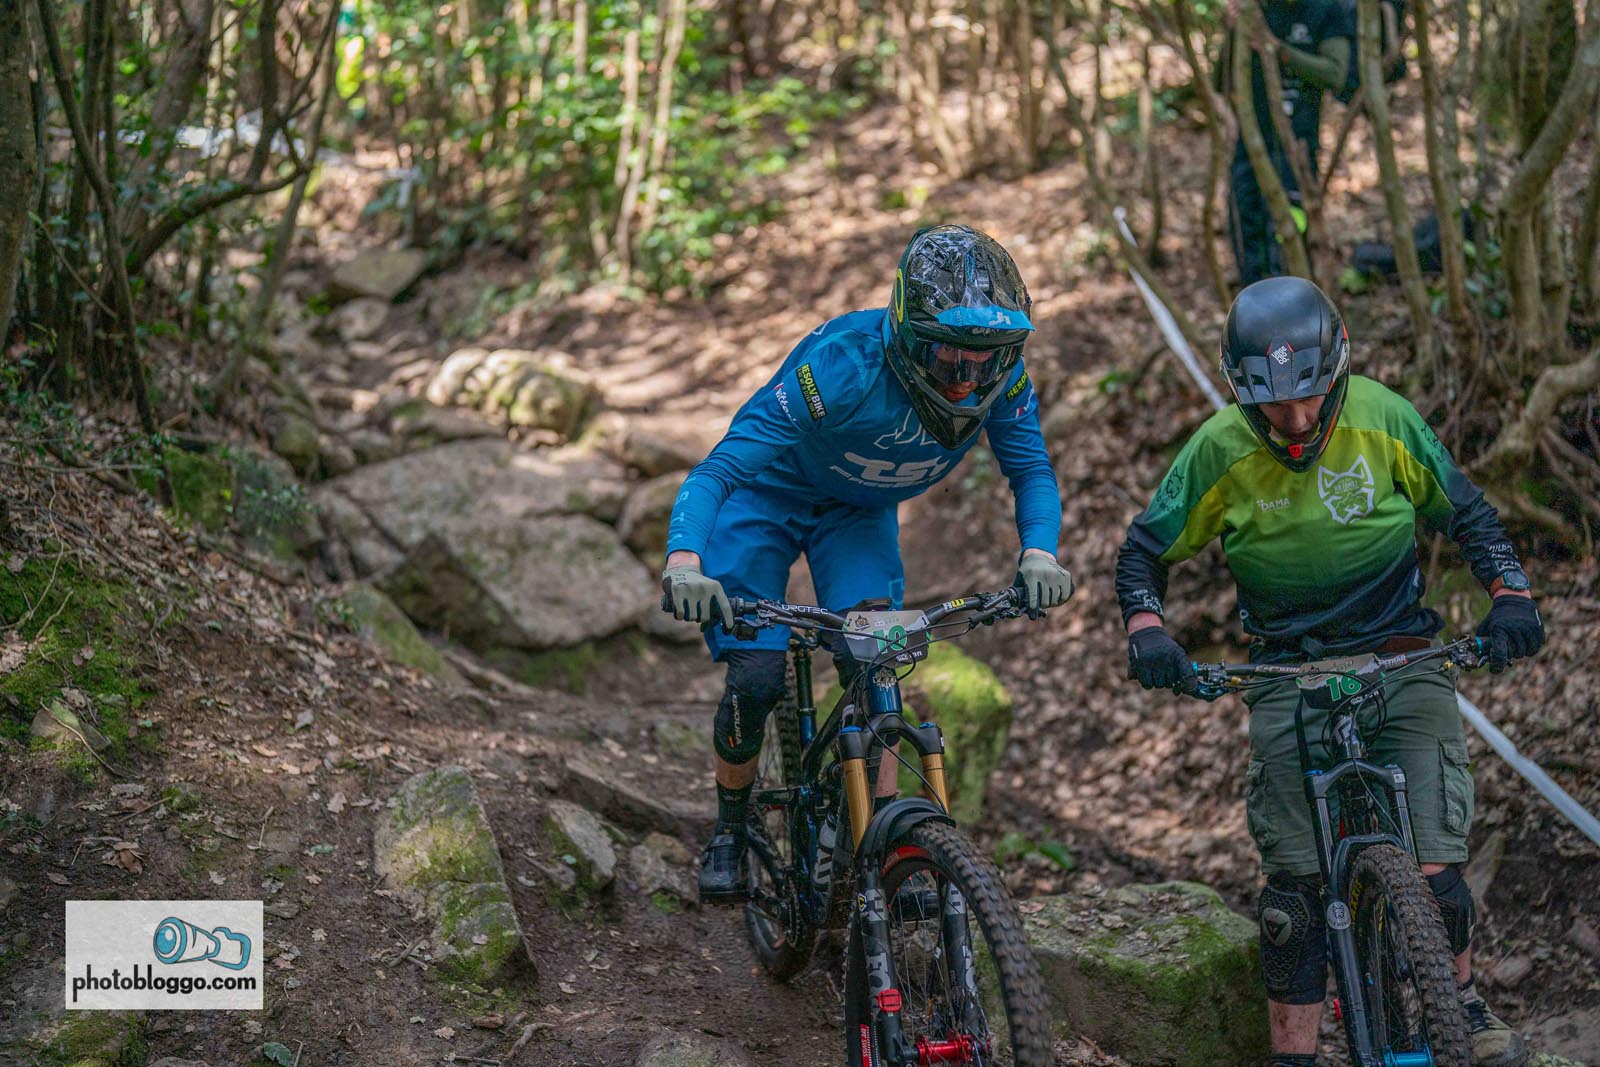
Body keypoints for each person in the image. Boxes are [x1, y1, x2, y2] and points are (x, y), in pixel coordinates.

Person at [1114, 277, 1543, 1067]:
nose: (1298, 420)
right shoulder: (1219, 449)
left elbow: (1469, 514)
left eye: (1312, 397)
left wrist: (1510, 595)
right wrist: (1148, 629)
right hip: (1286, 672)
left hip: (1402, 654)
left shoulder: (1384, 416)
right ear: (1242, 392)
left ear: (1339, 370)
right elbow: (1145, 550)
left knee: (1437, 868)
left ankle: (1462, 999)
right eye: (1275, 405)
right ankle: (1295, 1054)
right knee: (1294, 895)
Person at [660, 224, 1073, 903]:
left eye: (986, 361)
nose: (968, 382)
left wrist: (1039, 553)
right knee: (756, 675)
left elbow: (1030, 471)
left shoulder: (1006, 383)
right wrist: (685, 560)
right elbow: (720, 469)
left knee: (877, 664)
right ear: (908, 335)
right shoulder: (842, 367)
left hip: (857, 513)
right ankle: (731, 826)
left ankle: (880, 843)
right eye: (949, 359)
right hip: (767, 495)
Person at [1221, 0, 1354, 284]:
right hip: (1249, 143)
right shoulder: (1253, 9)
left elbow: (1335, 75)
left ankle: (1294, 292)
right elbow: (1221, 81)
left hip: (1297, 146)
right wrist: (1233, 31)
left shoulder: (1326, 9)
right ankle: (1252, 297)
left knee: (1290, 230)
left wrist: (1278, 51)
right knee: (1246, 227)